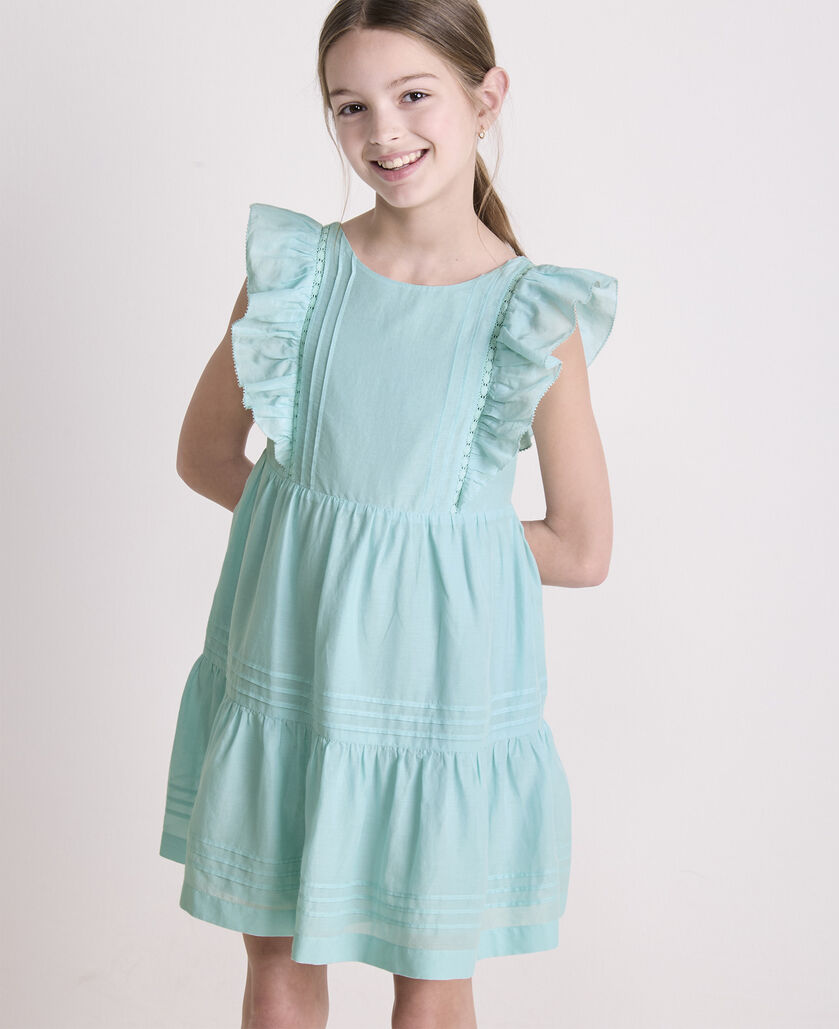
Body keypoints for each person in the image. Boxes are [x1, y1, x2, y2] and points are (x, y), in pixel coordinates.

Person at [159, 1, 618, 1026]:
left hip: (437, 692)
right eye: (351, 106)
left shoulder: (528, 314)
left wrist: (421, 551)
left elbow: (582, 547)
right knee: (278, 955)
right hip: (295, 659)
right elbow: (204, 454)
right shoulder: (298, 275)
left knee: (431, 973)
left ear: (486, 98)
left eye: (415, 95)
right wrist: (324, 530)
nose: (384, 131)